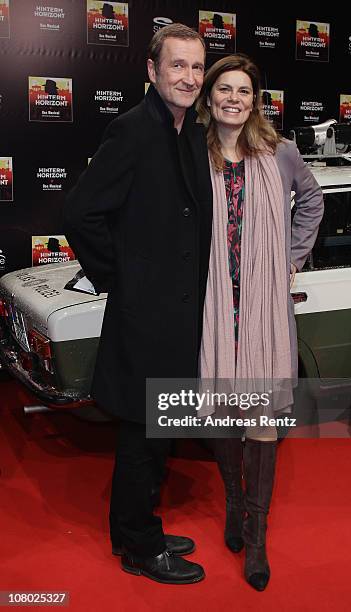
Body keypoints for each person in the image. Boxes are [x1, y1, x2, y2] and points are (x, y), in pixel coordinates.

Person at [63, 24, 212, 585]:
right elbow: (80, 214)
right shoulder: (131, 130)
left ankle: (132, 528)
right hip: (144, 316)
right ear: (151, 71)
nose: (189, 78)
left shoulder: (188, 131)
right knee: (143, 433)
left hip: (179, 315)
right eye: (178, 66)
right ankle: (141, 549)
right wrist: (123, 279)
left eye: (197, 68)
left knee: (157, 429)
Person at [196, 54, 323, 591]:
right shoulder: (189, 150)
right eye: (224, 88)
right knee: (225, 414)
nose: (234, 98)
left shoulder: (281, 151)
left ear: (255, 100)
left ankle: (257, 535)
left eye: (244, 91)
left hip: (265, 306)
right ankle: (233, 501)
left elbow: (312, 201)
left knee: (261, 419)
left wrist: (291, 257)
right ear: (209, 97)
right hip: (210, 301)